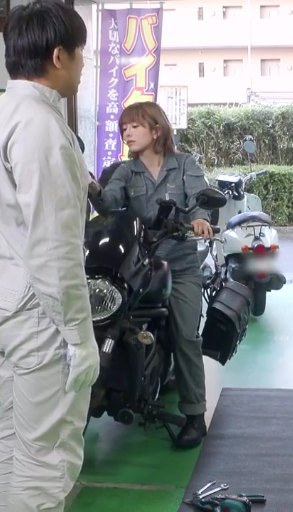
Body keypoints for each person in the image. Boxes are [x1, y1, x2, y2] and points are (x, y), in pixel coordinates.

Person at [0, 2, 97, 511]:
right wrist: (80, 336)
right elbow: (54, 247)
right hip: (39, 306)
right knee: (48, 454)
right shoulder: (40, 125)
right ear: (59, 56)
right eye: (81, 53)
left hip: (1, 292)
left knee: (15, 436)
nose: (83, 64)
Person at [88, 101, 213, 449]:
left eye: (135, 126)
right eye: (123, 127)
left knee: (186, 335)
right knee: (105, 319)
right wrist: (93, 189)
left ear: (156, 130)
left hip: (181, 264)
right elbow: (110, 203)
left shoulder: (184, 164)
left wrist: (199, 218)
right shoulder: (125, 172)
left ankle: (194, 415)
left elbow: (198, 198)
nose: (126, 132)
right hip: (140, 265)